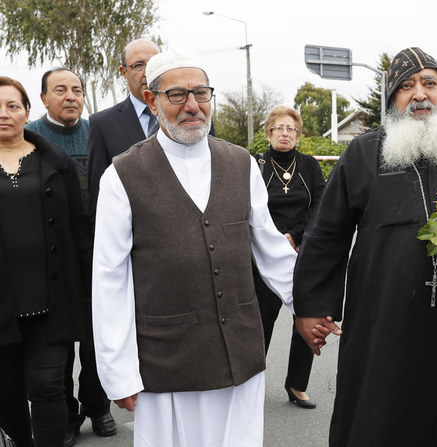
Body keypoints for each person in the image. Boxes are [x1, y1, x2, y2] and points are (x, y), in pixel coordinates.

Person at [293, 47, 437, 446]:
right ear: (392, 100)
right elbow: (326, 234)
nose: (419, 94)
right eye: (405, 86)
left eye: (430, 83)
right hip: (383, 322)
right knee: (381, 417)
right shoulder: (364, 152)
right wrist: (312, 308)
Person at [91, 49, 298, 447]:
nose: (192, 106)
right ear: (151, 101)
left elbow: (270, 248)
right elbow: (109, 280)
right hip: (167, 364)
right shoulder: (121, 175)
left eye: (201, 94)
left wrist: (309, 305)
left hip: (240, 357)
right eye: (177, 95)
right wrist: (118, 371)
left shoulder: (242, 164)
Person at [0, 77, 91, 447]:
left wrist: (88, 290)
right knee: (7, 394)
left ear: (27, 111)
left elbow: (77, 229)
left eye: (12, 106)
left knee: (49, 386)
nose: (4, 114)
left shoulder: (57, 162)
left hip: (52, 299)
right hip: (3, 304)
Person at [25, 67, 114, 447]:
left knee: (98, 339)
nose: (71, 96)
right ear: (44, 98)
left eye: (77, 89)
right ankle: (65, 412)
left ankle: (99, 406)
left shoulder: (98, 132)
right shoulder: (29, 136)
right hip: (52, 256)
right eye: (60, 90)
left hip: (98, 250)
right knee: (57, 340)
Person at [252, 105, 325, 409]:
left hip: (302, 252)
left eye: (290, 129)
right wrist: (274, 239)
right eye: (279, 128)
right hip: (264, 255)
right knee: (259, 323)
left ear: (297, 135)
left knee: (306, 316)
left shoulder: (309, 165)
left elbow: (321, 205)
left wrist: (295, 235)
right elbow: (251, 208)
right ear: (269, 133)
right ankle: (250, 385)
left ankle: (297, 385)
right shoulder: (255, 165)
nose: (284, 133)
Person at [86, 38, 160, 221]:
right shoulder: (102, 124)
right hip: (131, 236)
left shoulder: (189, 117)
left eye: (153, 64)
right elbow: (99, 196)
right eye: (138, 65)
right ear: (124, 72)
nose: (147, 72)